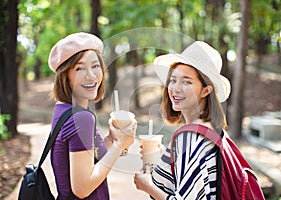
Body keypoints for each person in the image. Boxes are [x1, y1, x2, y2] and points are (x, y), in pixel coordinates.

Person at [134, 41, 231, 199]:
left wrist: (148, 186)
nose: (175, 89)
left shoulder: (189, 137)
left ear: (206, 90)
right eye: (173, 80)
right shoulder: (213, 130)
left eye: (186, 81)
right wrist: (166, 158)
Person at [48, 32, 136, 200]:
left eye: (95, 66)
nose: (91, 75)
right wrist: (120, 146)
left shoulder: (63, 109)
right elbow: (82, 188)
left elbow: (93, 161)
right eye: (80, 68)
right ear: (64, 75)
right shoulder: (82, 118)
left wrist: (113, 139)